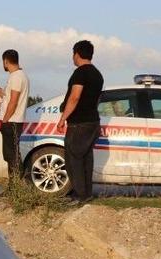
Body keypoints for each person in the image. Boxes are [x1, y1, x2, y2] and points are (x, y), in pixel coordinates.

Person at [57, 40, 104, 204]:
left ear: (77, 54)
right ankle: (87, 193)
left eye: (73, 54)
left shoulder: (80, 73)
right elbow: (97, 99)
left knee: (73, 159)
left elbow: (75, 96)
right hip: (93, 122)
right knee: (86, 159)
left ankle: (79, 195)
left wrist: (63, 118)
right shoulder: (98, 75)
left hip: (79, 123)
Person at [0, 49, 30, 179]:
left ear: (5, 61)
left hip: (12, 121)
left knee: (11, 155)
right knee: (12, 155)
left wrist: (5, 120)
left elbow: (14, 101)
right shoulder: (19, 76)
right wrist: (2, 93)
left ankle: (16, 185)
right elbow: (11, 97)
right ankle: (16, 185)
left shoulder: (17, 76)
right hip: (14, 120)